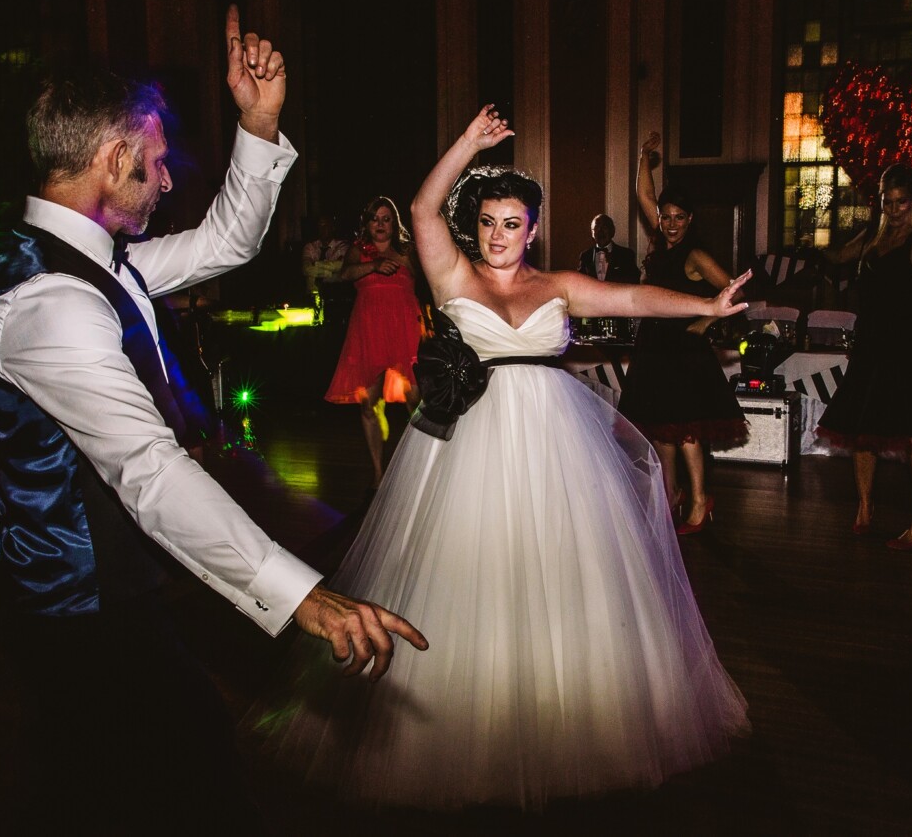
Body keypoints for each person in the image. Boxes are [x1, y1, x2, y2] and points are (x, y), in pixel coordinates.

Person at [0, 7, 425, 830]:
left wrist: (260, 124)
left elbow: (226, 242)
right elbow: (150, 471)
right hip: (76, 610)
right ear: (112, 160)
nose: (168, 180)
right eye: (157, 163)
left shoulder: (107, 262)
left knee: (172, 768)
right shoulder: (47, 303)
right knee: (131, 782)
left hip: (123, 590)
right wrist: (306, 597)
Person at [250, 106, 750, 810]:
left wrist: (710, 302)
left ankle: (571, 717)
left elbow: (634, 295)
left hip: (556, 450)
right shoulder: (452, 275)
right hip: (468, 452)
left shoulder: (556, 285)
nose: (498, 235)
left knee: (566, 578)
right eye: (488, 221)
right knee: (468, 574)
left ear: (533, 229)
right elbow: (423, 206)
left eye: (512, 223)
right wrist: (467, 144)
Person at [817, 119, 912, 550]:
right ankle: (865, 507)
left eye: (903, 202)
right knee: (861, 434)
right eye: (890, 201)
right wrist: (817, 236)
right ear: (881, 201)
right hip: (870, 350)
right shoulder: (871, 238)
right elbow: (835, 255)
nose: (896, 208)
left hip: (907, 353)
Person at [618, 130, 748, 534]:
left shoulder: (695, 255)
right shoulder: (660, 244)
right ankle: (669, 499)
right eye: (666, 217)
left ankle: (699, 500)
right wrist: (643, 157)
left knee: (686, 431)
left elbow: (733, 290)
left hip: (684, 352)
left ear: (690, 220)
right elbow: (644, 196)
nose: (671, 224)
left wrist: (707, 320)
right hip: (655, 348)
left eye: (678, 218)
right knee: (662, 432)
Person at [324, 196, 424, 487]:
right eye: (375, 219)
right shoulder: (358, 252)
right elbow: (344, 274)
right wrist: (375, 265)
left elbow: (430, 280)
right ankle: (379, 473)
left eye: (386, 218)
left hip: (405, 328)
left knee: (415, 400)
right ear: (367, 223)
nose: (380, 224)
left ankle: (419, 465)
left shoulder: (407, 251)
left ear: (394, 223)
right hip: (368, 330)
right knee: (369, 403)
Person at [301, 214, 349, 316]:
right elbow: (306, 269)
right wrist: (330, 271)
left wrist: (316, 264)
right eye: (320, 226)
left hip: (335, 295)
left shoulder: (342, 246)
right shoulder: (310, 247)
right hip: (311, 296)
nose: (323, 229)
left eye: (326, 226)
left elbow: (341, 266)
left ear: (332, 227)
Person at [577, 212, 640, 282]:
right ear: (592, 233)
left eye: (604, 227)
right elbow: (579, 282)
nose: (600, 231)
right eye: (597, 227)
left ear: (612, 231)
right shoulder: (585, 256)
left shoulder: (626, 255)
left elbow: (633, 280)